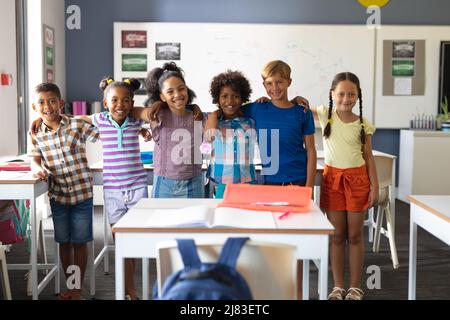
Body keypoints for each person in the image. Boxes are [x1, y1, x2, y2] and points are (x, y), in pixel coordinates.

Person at [310, 72, 379, 300]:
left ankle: (355, 287)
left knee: (355, 235)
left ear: (358, 96)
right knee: (337, 235)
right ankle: (338, 286)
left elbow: (368, 157)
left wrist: (375, 187)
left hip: (358, 181)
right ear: (333, 94)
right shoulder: (325, 116)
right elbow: (297, 108)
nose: (346, 98)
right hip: (333, 181)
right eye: (341, 94)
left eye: (351, 94)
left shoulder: (362, 124)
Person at [29, 83, 99, 300]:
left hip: (82, 196)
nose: (47, 106)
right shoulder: (36, 132)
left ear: (60, 103)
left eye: (51, 101)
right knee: (64, 242)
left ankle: (76, 289)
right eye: (41, 102)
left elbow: (104, 130)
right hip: (58, 196)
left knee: (79, 243)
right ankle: (71, 286)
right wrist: (37, 169)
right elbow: (35, 159)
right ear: (34, 106)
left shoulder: (76, 125)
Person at [144, 62, 204, 198]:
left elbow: (219, 115)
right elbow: (132, 112)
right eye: (170, 92)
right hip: (164, 182)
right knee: (161, 218)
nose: (177, 94)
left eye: (181, 89)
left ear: (187, 90)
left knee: (194, 219)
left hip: (193, 182)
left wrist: (195, 106)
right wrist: (158, 104)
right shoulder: (157, 115)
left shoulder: (198, 116)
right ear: (162, 96)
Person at [204, 70, 257, 198]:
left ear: (243, 98)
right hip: (223, 183)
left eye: (236, 96)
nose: (230, 101)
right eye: (224, 96)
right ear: (217, 98)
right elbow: (208, 137)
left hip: (248, 181)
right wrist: (215, 114)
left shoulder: (250, 121)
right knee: (222, 214)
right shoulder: (214, 121)